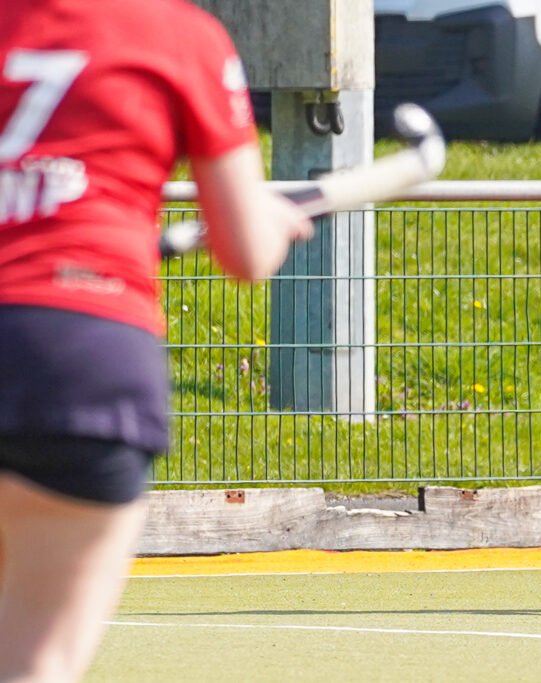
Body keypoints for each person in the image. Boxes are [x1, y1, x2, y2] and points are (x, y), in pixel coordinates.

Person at [0, 0, 313, 679]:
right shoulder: (179, 36)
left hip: (62, 351)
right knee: (32, 662)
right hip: (79, 362)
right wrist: (273, 223)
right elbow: (246, 253)